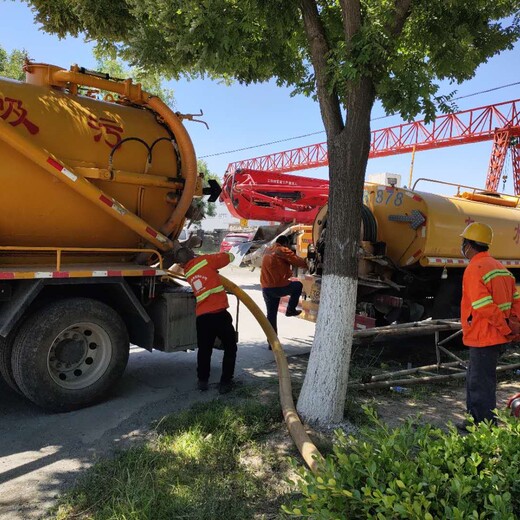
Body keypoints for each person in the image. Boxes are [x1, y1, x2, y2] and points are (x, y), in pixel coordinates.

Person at [459, 222, 520, 427]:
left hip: (484, 336)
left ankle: (484, 426)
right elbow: (516, 301)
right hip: (494, 336)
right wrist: (512, 328)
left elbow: (483, 306)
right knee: (476, 379)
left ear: (469, 244)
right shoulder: (500, 268)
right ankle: (473, 420)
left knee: (480, 383)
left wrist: (505, 327)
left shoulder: (474, 269)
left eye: (464, 243)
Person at [174, 247, 238, 394]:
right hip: (219, 314)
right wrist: (232, 253)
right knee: (230, 347)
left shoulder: (188, 273)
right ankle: (225, 383)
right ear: (193, 254)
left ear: (182, 264)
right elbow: (227, 258)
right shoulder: (205, 261)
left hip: (203, 317)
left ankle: (202, 381)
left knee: (204, 350)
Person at [260, 235, 308, 335]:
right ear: (285, 243)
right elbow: (297, 261)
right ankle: (290, 310)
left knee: (271, 315)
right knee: (297, 286)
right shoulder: (281, 250)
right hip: (278, 286)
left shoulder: (268, 250)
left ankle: (272, 342)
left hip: (266, 288)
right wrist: (307, 263)